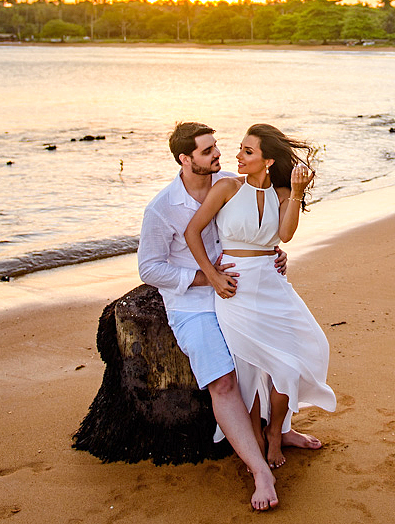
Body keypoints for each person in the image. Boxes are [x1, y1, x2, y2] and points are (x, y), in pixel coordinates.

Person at [137, 122, 320, 511]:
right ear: (186, 160)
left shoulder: (230, 181)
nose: (219, 155)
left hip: (241, 290)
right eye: (208, 151)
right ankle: (260, 470)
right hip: (193, 304)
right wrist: (206, 277)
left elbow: (260, 227)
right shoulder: (161, 208)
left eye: (218, 148)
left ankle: (280, 431)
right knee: (224, 381)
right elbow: (150, 270)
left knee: (269, 361)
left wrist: (271, 253)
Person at [183, 123, 336, 472]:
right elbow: (192, 231)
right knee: (248, 369)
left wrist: (297, 192)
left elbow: (285, 234)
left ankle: (277, 432)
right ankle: (256, 438)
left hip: (273, 285)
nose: (237, 155)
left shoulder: (282, 193)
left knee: (292, 360)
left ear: (267, 161)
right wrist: (211, 274)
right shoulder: (225, 188)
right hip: (235, 289)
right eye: (239, 148)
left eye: (247, 151)